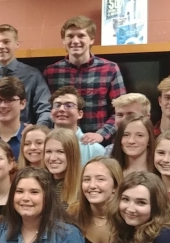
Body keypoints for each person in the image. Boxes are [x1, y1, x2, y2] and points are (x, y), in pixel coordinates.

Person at [43, 16, 126, 146]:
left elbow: (121, 111)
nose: (75, 41)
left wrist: (101, 134)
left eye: (81, 36)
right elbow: (46, 109)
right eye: (70, 36)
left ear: (92, 39)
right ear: (64, 40)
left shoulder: (110, 69)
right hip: (61, 144)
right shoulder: (51, 72)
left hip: (98, 146)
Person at [49, 86, 106, 166]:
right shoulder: (42, 143)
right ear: (50, 113)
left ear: (80, 114)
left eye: (69, 105)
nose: (61, 109)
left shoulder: (95, 150)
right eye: (57, 105)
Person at [44, 128, 82, 208]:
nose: (52, 158)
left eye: (60, 152)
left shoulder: (83, 188)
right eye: (48, 151)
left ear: (73, 154)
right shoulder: (40, 184)